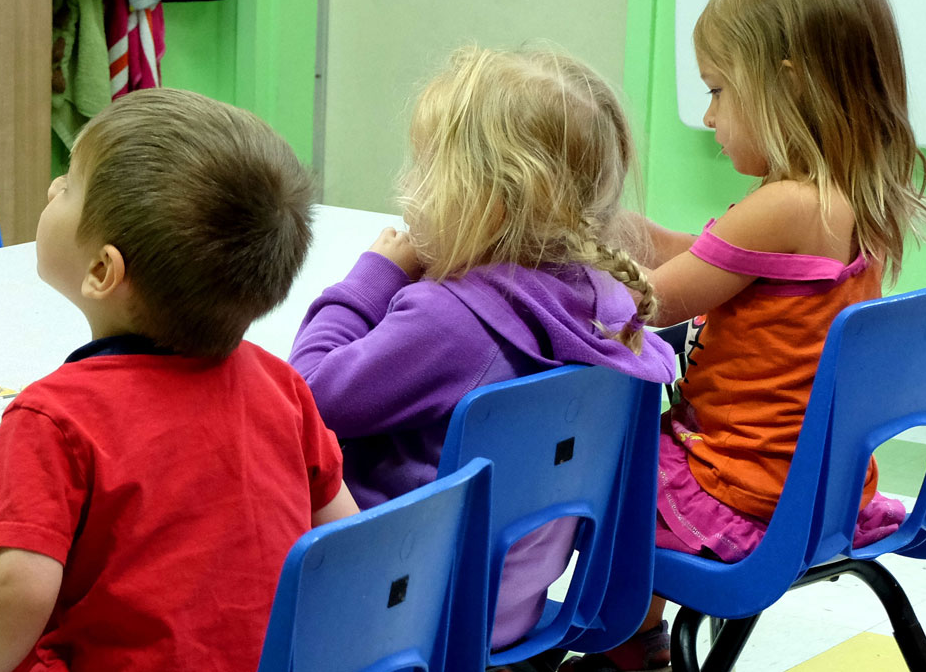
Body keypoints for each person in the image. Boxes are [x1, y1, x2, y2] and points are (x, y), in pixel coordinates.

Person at [572, 0, 926, 670]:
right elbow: (722, 263)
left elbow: (657, 303)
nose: (708, 115)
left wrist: (574, 264)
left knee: (601, 476)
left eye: (717, 90)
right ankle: (640, 639)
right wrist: (640, 236)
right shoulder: (847, 198)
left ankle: (630, 643)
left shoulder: (785, 205)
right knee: (637, 458)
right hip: (817, 486)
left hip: (741, 488)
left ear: (788, 84)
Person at [0, 88, 356, 672]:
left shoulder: (55, 417)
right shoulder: (279, 384)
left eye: (71, 182)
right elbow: (343, 539)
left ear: (103, 270)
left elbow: (21, 589)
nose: (53, 188)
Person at [290, 46, 676, 672]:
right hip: (509, 610)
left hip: (399, 613)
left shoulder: (451, 321)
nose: (412, 187)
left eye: (427, 169)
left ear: (490, 202)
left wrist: (376, 275)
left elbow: (305, 397)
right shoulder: (605, 301)